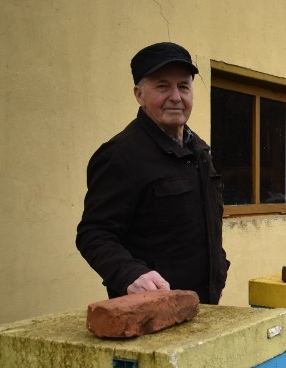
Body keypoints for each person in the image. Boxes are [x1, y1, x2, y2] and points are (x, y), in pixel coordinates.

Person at [76, 42, 229, 304]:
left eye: (183, 86)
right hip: (150, 311)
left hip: (204, 306)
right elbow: (94, 233)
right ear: (139, 94)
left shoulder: (199, 151)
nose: (175, 96)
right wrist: (130, 274)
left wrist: (219, 268)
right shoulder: (121, 155)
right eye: (162, 86)